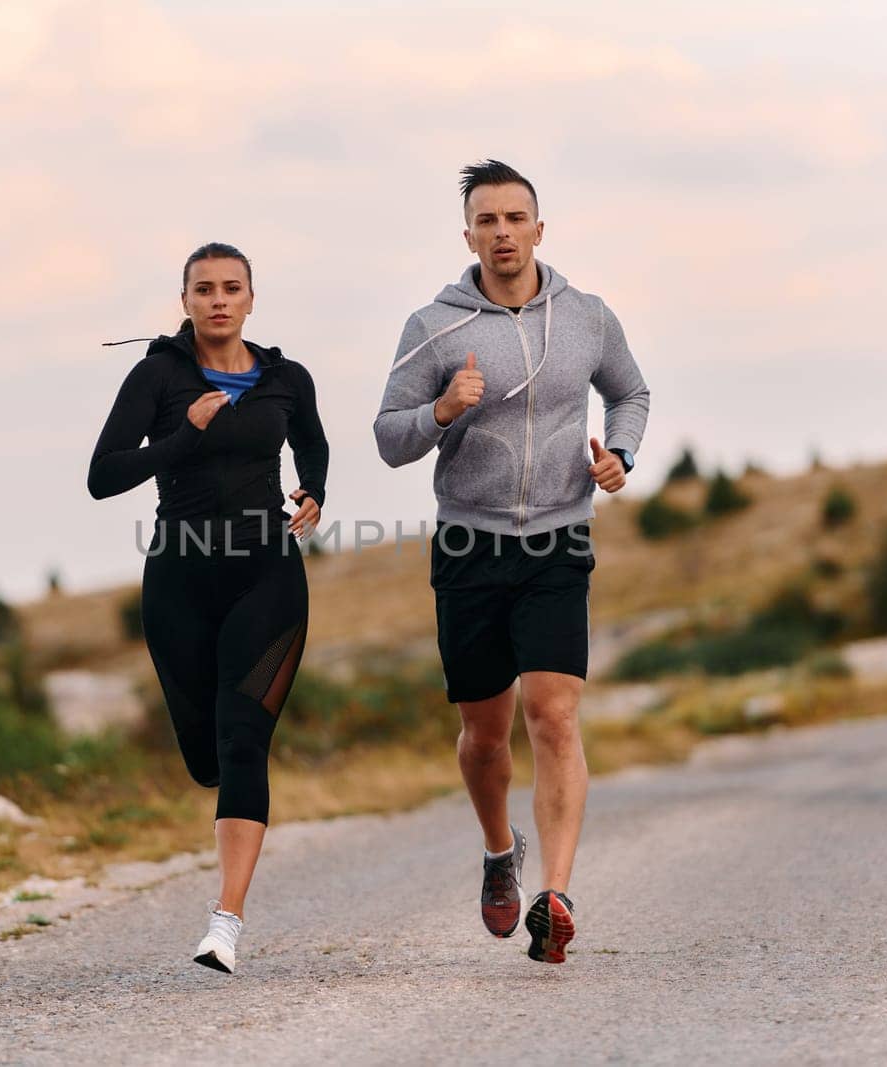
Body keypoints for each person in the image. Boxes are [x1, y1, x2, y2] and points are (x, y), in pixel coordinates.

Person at [373, 161, 650, 964]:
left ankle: (555, 895)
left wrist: (619, 453)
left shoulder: (588, 317)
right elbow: (389, 437)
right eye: (486, 220)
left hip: (558, 541)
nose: (502, 232)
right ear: (468, 235)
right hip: (469, 545)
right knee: (484, 735)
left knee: (555, 716)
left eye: (514, 217)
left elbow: (630, 392)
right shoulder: (434, 327)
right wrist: (439, 410)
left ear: (539, 227)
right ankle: (502, 850)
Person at [87, 242, 328, 974]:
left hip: (267, 572)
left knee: (242, 739)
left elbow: (312, 444)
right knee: (205, 755)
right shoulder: (157, 376)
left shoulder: (287, 378)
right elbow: (103, 476)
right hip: (180, 578)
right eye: (204, 289)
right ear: (185, 300)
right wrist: (183, 431)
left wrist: (314, 491)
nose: (219, 299)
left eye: (232, 288)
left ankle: (226, 920)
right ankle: (222, 813)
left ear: (251, 298)